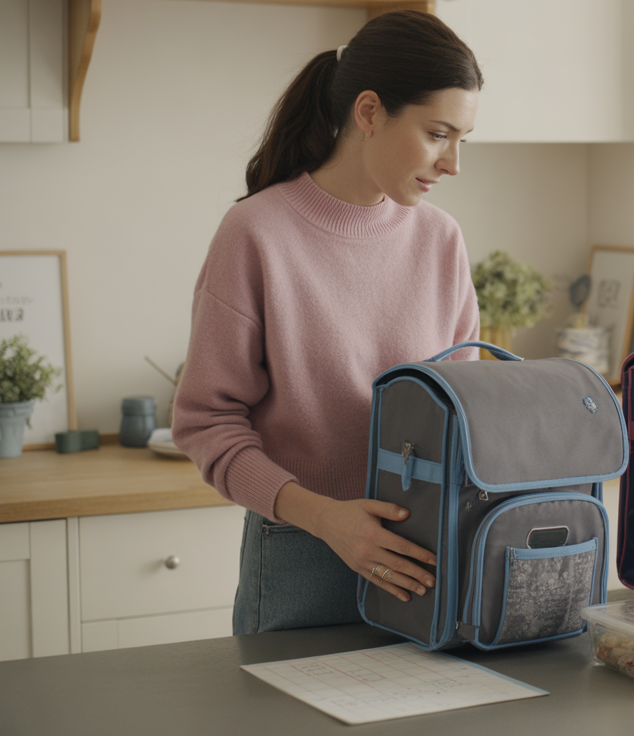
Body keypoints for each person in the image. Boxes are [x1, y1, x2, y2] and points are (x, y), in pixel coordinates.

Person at [172, 10, 483, 635]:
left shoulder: (441, 240)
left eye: (462, 141)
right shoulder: (256, 233)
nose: (452, 164)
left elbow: (462, 414)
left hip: (424, 557)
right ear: (368, 112)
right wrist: (324, 518)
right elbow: (206, 424)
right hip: (299, 555)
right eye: (437, 134)